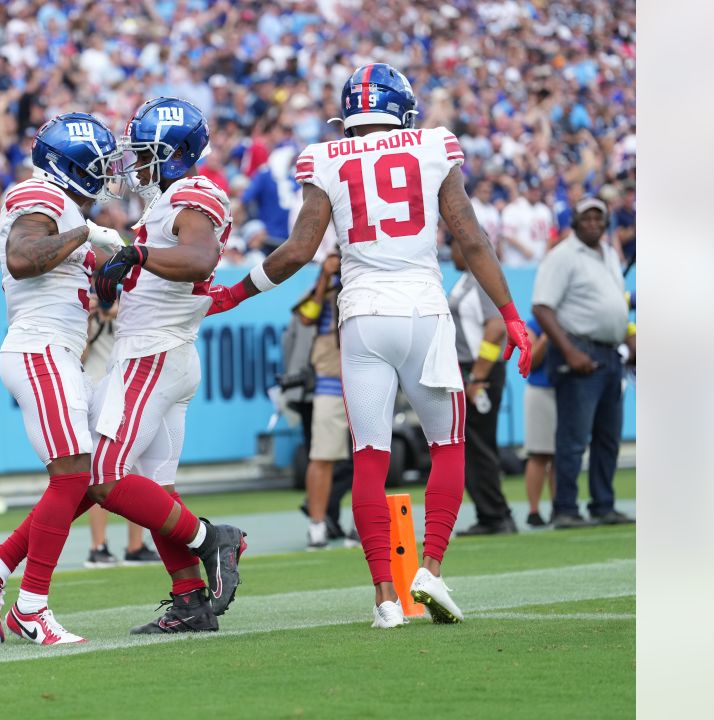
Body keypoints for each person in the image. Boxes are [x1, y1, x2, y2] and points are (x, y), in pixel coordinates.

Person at [206, 64, 531, 628]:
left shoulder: (326, 158)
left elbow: (299, 249)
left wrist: (235, 293)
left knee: (369, 459)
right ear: (401, 109)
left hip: (362, 315)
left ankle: (385, 598)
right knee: (448, 446)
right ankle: (428, 568)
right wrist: (510, 314)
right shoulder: (433, 145)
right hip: (425, 313)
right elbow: (470, 238)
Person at [0, 114, 124, 646]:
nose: (104, 176)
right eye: (96, 166)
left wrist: (109, 267)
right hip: (40, 349)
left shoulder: (61, 206)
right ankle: (31, 608)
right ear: (69, 164)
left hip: (58, 351)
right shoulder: (39, 196)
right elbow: (23, 258)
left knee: (88, 475)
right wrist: (85, 233)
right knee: (75, 475)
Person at [91, 97, 247, 635]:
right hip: (161, 351)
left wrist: (136, 256)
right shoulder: (168, 202)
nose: (135, 164)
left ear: (173, 154)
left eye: (144, 153)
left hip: (153, 353)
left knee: (105, 476)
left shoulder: (192, 194)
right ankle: (190, 600)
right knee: (156, 490)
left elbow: (198, 259)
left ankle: (212, 540)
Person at [532, 197, 635, 528]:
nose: (593, 223)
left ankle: (603, 504)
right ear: (574, 222)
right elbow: (542, 307)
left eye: (599, 218)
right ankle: (565, 508)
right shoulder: (562, 256)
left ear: (606, 224)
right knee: (573, 437)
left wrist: (629, 336)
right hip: (578, 349)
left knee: (608, 435)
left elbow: (614, 304)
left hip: (610, 353)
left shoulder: (607, 254)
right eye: (586, 218)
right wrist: (571, 351)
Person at [80, 295, 160, 567]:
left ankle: (135, 546)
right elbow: (81, 354)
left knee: (135, 470)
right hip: (97, 391)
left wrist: (122, 312)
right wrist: (90, 318)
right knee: (99, 473)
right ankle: (98, 546)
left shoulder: (136, 303)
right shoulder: (85, 306)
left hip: (126, 392)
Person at [448, 234, 515, 535]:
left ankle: (496, 515)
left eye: (455, 245)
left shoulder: (481, 282)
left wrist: (478, 376)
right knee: (474, 446)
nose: (451, 252)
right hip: (470, 370)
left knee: (480, 446)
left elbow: (496, 329)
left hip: (478, 372)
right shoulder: (466, 280)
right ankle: (492, 512)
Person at [292, 250, 350, 549]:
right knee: (322, 455)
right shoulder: (325, 287)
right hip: (331, 378)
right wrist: (325, 277)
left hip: (367, 375)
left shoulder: (370, 276)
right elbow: (306, 317)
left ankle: (363, 524)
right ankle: (317, 524)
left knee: (373, 457)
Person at [522, 318, 556, 527]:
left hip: (566, 391)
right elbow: (531, 360)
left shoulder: (572, 319)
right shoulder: (534, 325)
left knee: (561, 455)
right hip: (540, 390)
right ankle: (533, 511)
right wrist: (547, 335)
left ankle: (558, 507)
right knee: (539, 454)